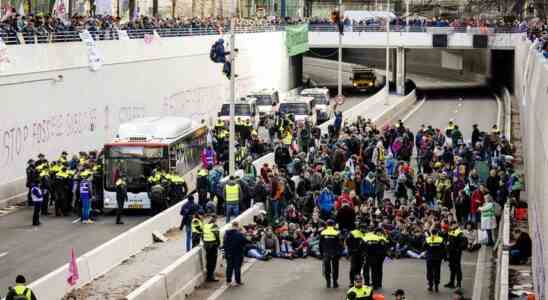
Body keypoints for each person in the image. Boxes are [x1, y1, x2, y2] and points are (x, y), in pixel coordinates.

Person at [223, 221, 249, 286]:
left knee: (229, 267)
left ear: (232, 226)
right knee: (237, 268)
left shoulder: (226, 234)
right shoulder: (239, 234)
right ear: (237, 226)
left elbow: (224, 243)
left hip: (229, 253)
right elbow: (246, 241)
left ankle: (228, 281)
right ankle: (238, 281)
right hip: (238, 253)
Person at [319, 219, 343, 288]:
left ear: (326, 224)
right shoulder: (337, 232)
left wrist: (321, 254)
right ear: (333, 224)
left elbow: (320, 244)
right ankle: (335, 282)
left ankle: (328, 283)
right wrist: (340, 253)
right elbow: (341, 244)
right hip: (335, 253)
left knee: (327, 269)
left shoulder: (323, 232)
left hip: (326, 253)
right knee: (335, 268)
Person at [445, 221, 467, 289]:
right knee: (452, 268)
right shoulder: (451, 232)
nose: (452, 226)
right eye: (451, 225)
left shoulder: (459, 232)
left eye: (454, 224)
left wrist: (458, 249)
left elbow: (464, 242)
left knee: (457, 268)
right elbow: (448, 242)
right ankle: (451, 282)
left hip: (456, 253)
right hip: (451, 253)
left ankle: (458, 283)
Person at [424, 228, 446, 292]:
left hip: (429, 258)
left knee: (429, 272)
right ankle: (436, 286)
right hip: (437, 259)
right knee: (437, 272)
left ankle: (430, 286)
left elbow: (424, 246)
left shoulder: (428, 239)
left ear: (431, 233)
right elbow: (443, 249)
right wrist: (444, 257)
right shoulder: (440, 239)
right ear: (437, 233)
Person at [203, 214, 220, 282]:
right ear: (215, 219)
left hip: (206, 245)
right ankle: (211, 276)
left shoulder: (205, 225)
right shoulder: (214, 226)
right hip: (213, 245)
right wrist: (218, 243)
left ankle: (208, 276)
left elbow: (202, 235)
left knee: (208, 260)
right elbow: (217, 235)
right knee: (213, 261)